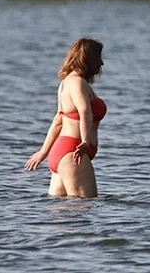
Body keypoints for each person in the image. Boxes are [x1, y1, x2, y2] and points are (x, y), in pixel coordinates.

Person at [24, 38, 107, 198]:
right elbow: (85, 112)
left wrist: (44, 152)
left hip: (63, 153)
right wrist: (85, 141)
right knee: (85, 208)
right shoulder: (77, 83)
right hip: (73, 153)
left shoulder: (66, 82)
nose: (101, 63)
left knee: (63, 215)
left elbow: (58, 120)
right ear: (88, 59)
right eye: (98, 58)